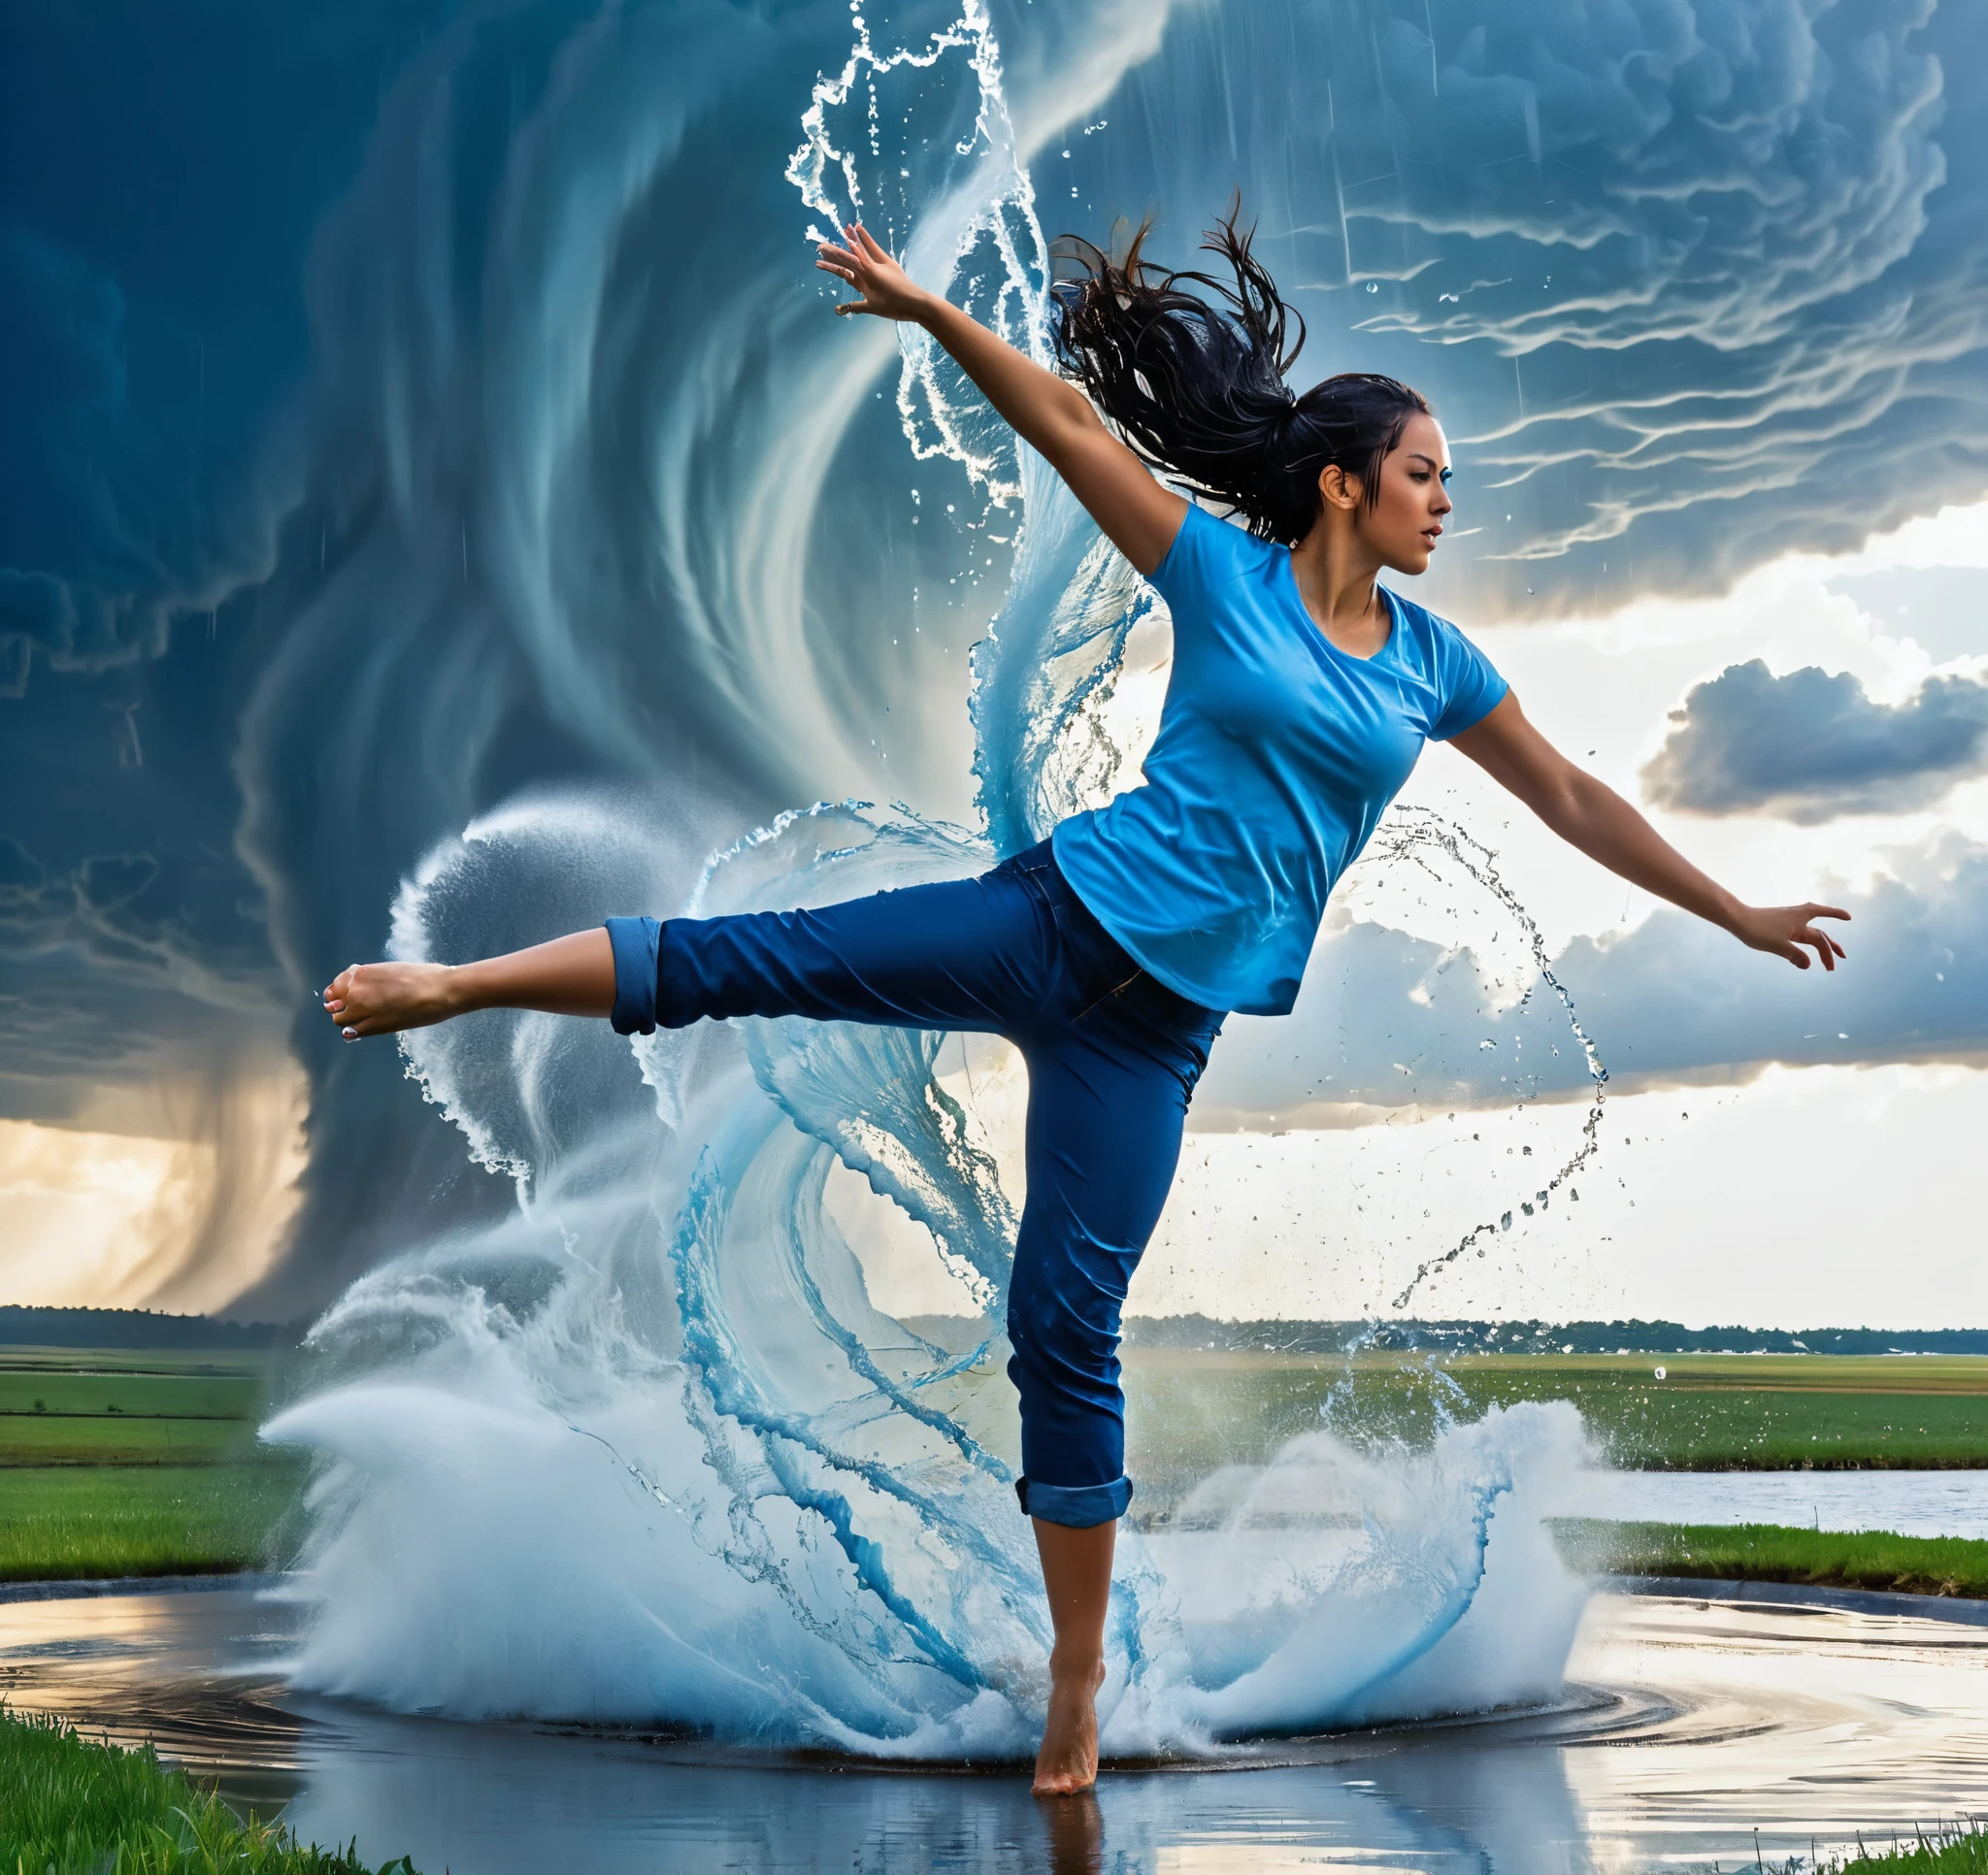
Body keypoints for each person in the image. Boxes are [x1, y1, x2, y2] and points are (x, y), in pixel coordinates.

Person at [320, 211, 1849, 1794]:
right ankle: (458, 980)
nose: (1445, 500)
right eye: (1425, 474)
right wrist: (931, 317)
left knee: (1063, 1327)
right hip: (1046, 924)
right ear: (1344, 481)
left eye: (1447, 479)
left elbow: (1578, 799)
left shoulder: (1435, 665)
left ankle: (1073, 1695)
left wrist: (1731, 912)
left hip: (1152, 1036)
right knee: (760, 954)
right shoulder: (1223, 575)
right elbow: (1067, 423)